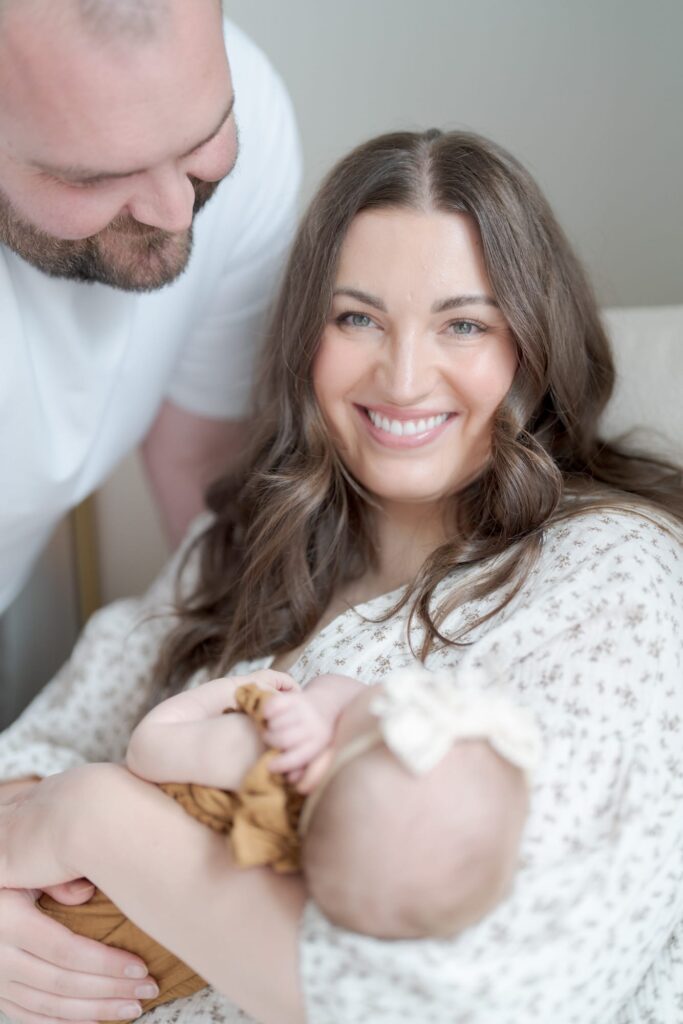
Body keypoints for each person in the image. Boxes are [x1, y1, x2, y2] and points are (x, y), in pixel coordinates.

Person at [0, 127, 681, 1024]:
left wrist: (91, 819)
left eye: (463, 323)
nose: (401, 378)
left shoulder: (615, 577)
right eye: (356, 317)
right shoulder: (239, 545)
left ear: (531, 343)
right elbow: (32, 751)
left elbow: (487, 1000)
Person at [0, 0, 301, 614]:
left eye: (201, 141)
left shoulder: (250, 105)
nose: (176, 213)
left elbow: (200, 466)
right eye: (95, 178)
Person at [126, 666, 538, 938]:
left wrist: (237, 687)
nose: (392, 685)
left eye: (390, 707)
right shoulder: (317, 844)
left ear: (317, 769)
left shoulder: (257, 753)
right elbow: (344, 690)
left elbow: (146, 746)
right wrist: (323, 708)